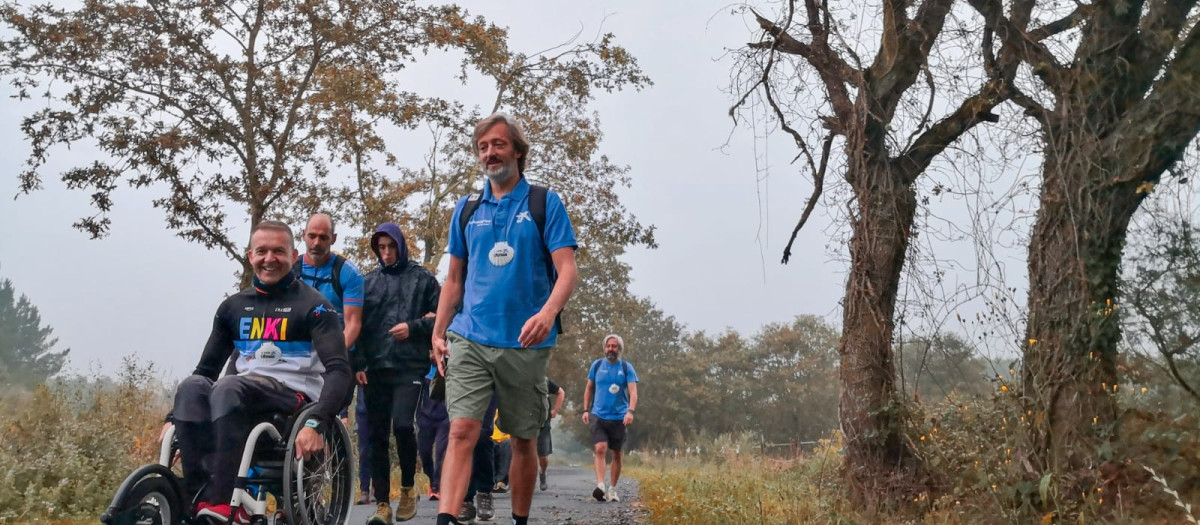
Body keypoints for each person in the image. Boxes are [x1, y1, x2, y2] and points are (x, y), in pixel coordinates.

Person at [431, 112, 579, 525]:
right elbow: (454, 278)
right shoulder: (466, 209)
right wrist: (439, 332)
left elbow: (566, 269)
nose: (489, 153)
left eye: (497, 144)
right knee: (461, 430)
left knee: (523, 440)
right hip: (470, 337)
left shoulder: (543, 203)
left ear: (517, 150)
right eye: (482, 147)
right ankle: (445, 519)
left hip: (526, 343)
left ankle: (519, 520)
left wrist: (548, 313)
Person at [162, 220, 352, 522]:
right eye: (262, 251)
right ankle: (196, 501)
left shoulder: (316, 308)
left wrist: (317, 423)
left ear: (293, 256)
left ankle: (224, 504)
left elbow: (340, 371)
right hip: (237, 400)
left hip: (291, 403)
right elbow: (207, 369)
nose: (269, 258)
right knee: (192, 386)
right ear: (251, 255)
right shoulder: (232, 308)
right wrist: (177, 422)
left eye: (279, 251)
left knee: (228, 387)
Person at [356, 222, 441, 524]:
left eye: (391, 246)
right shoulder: (367, 282)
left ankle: (407, 488)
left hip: (410, 366)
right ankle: (382, 504)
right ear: (376, 249)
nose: (387, 253)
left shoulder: (423, 279)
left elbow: (444, 318)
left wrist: (414, 327)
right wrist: (358, 363)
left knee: (404, 425)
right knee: (375, 436)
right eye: (381, 248)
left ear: (401, 246)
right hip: (375, 368)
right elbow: (357, 326)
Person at [294, 212, 370, 503]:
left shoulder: (348, 273)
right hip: (298, 355)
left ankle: (326, 481)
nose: (316, 242)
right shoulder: (291, 267)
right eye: (311, 236)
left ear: (333, 239)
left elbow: (353, 323)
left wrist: (334, 358)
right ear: (303, 235)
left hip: (333, 357)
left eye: (323, 237)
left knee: (325, 416)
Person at [581, 334, 639, 502]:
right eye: (608, 346)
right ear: (604, 348)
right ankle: (600, 485)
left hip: (619, 417)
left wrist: (630, 412)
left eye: (614, 346)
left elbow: (633, 392)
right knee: (600, 448)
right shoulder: (597, 365)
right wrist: (585, 410)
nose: (611, 349)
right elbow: (589, 388)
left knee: (617, 454)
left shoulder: (627, 368)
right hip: (598, 415)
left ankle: (612, 489)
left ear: (619, 349)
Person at [417, 367, 449, 502]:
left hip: (445, 411)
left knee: (442, 451)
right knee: (424, 451)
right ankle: (431, 479)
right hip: (425, 410)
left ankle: (437, 486)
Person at [537, 378, 565, 491]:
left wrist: (555, 411)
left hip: (543, 422)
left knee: (543, 456)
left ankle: (542, 473)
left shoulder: (544, 381)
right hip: (525, 422)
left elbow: (561, 392)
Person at [491, 412, 511, 493]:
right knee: (487, 445)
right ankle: (491, 481)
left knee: (508, 445)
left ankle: (501, 481)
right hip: (491, 437)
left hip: (507, 437)